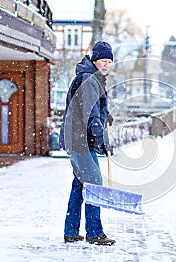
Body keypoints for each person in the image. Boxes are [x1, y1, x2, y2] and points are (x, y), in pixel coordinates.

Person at [59, 41, 115, 246]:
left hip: (78, 139)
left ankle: (71, 231)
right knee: (93, 185)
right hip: (80, 140)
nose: (106, 64)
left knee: (80, 185)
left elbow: (93, 108)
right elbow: (89, 114)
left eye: (109, 61)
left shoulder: (92, 78)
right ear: (94, 59)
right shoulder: (89, 79)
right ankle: (94, 232)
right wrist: (101, 137)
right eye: (103, 60)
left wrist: (105, 115)